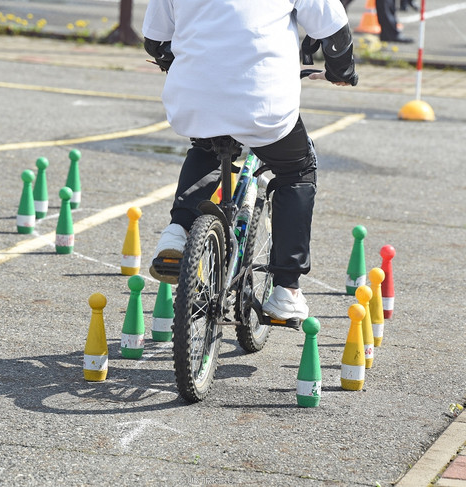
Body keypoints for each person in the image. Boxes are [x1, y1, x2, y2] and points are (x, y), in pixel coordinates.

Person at [142, 0, 358, 322]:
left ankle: (177, 231)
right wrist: (342, 72)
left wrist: (186, 64)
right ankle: (286, 290)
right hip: (263, 102)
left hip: (194, 97)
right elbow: (335, 32)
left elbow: (156, 41)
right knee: (297, 170)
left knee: (207, 148)